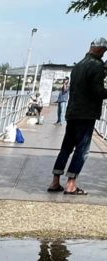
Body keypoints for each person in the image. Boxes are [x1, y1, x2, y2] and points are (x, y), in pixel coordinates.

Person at [49, 38, 107, 195]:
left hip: (72, 112)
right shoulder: (97, 66)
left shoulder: (78, 65)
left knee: (66, 147)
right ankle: (71, 184)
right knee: (82, 149)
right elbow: (98, 92)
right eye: (104, 50)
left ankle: (55, 182)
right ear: (101, 50)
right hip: (86, 113)